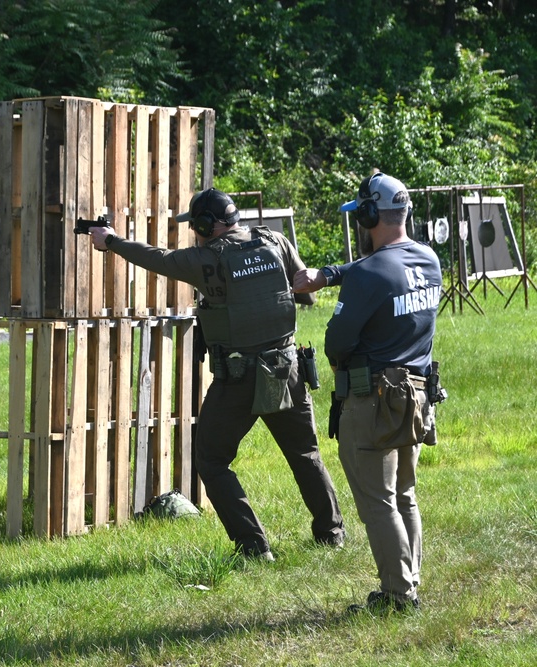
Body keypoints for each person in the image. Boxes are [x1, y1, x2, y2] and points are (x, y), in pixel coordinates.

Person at [88, 188, 346, 561]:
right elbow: (304, 292)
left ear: (208, 225)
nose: (194, 233)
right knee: (305, 454)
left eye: (196, 226)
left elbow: (156, 258)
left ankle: (254, 548)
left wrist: (110, 240)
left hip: (239, 377)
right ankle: (331, 534)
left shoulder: (205, 259)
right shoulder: (274, 239)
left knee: (211, 460)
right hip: (286, 369)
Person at [295, 172, 442, 614]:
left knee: (378, 502)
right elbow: (375, 271)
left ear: (370, 214)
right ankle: (409, 581)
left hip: (372, 399)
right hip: (415, 397)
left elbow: (337, 342)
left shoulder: (369, 273)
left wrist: (336, 279)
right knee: (404, 494)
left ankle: (398, 596)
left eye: (361, 215)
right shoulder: (429, 259)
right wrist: (330, 274)